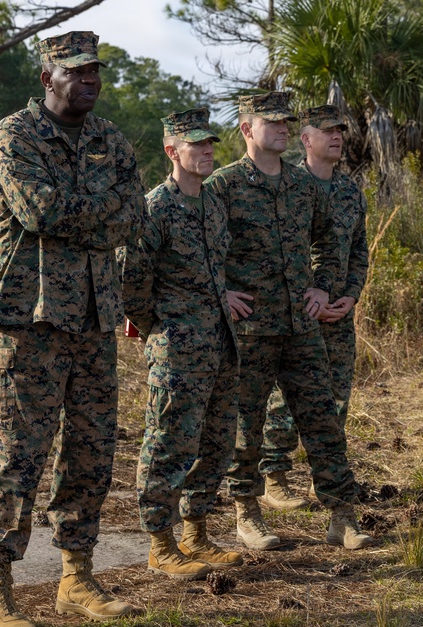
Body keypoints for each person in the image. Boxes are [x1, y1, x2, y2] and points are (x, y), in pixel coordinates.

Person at [0, 31, 144, 627]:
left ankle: (76, 576)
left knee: (91, 455)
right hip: (26, 324)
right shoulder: (14, 135)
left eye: (95, 70)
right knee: (14, 459)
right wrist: (102, 210)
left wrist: (88, 211)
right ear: (48, 78)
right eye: (76, 72)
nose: (89, 80)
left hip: (94, 323)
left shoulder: (111, 140)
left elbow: (135, 216)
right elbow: (39, 212)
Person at [205, 92, 373, 551]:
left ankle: (342, 516)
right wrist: (221, 293)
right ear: (247, 129)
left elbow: (331, 242)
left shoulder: (303, 186)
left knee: (324, 422)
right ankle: (247, 513)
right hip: (251, 330)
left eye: (286, 122)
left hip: (302, 327)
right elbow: (199, 247)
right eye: (272, 122)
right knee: (246, 426)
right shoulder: (223, 185)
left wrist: (323, 288)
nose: (282, 128)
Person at [121, 108, 243, 580]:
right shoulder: (154, 208)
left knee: (216, 442)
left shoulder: (213, 203)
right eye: (197, 144)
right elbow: (131, 282)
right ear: (172, 151)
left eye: (210, 143)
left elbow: (218, 269)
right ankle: (160, 542)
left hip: (220, 343)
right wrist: (161, 326)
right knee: (169, 443)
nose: (207, 151)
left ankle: (196, 533)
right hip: (177, 349)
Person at [259, 104, 369, 511]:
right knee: (285, 398)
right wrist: (308, 297)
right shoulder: (290, 185)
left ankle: (324, 476)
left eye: (340, 131)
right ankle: (274, 476)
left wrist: (350, 296)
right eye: (327, 131)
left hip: (339, 314)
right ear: (306, 139)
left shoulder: (350, 191)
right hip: (295, 314)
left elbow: (359, 252)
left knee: (335, 398)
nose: (337, 137)